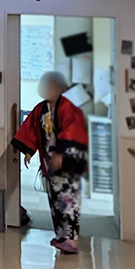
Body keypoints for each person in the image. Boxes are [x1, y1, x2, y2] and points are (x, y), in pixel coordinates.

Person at [12, 70, 89, 255]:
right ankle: (62, 237)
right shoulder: (41, 109)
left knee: (68, 200)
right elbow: (31, 129)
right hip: (49, 162)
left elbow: (72, 131)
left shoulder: (69, 108)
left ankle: (71, 240)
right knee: (55, 201)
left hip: (69, 164)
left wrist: (61, 153)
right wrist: (29, 152)